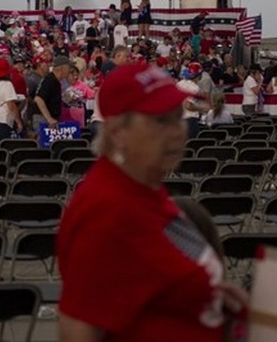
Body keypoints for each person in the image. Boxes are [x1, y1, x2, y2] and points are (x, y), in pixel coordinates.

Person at [58, 61, 248, 342]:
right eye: (161, 120)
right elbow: (78, 329)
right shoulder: (105, 210)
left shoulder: (143, 186)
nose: (177, 130)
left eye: (177, 115)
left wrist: (211, 296)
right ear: (118, 132)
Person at [33, 55, 71, 130]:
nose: (70, 70)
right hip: (44, 119)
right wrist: (49, 118)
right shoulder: (50, 80)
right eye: (68, 68)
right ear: (61, 68)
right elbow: (38, 99)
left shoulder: (55, 81)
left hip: (48, 119)